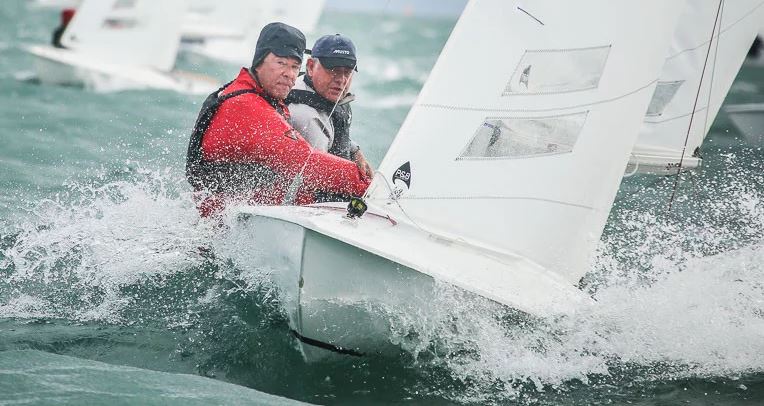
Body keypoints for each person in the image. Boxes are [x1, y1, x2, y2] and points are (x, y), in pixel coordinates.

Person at [186, 22, 371, 217]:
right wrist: (370, 186)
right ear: (259, 62)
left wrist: (354, 150)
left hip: (244, 216)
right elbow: (307, 163)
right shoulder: (247, 106)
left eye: (295, 66)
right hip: (223, 224)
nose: (289, 74)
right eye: (281, 63)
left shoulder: (261, 94)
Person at [286, 34, 373, 178]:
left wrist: (355, 150)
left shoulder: (321, 91)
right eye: (333, 70)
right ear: (311, 66)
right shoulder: (307, 117)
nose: (341, 80)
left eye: (347, 72)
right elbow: (320, 176)